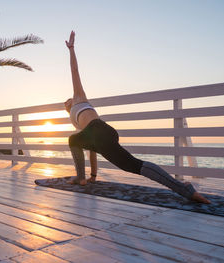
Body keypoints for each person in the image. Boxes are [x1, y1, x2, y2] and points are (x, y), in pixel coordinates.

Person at [64, 31, 210, 204]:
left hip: (100, 131)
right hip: (100, 134)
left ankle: (183, 189)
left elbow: (74, 70)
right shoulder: (80, 124)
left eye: (68, 100)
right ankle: (81, 177)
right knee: (75, 140)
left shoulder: (80, 98)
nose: (66, 102)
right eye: (65, 104)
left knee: (135, 165)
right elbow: (92, 151)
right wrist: (93, 176)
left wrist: (71, 49)